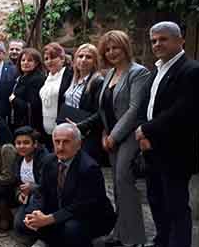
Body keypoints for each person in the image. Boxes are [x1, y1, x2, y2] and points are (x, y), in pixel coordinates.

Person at [135, 21, 199, 247]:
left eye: (163, 39)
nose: (157, 44)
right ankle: (161, 241)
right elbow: (145, 105)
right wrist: (143, 133)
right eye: (154, 40)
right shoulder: (157, 69)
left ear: (180, 40)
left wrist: (146, 130)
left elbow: (183, 111)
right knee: (156, 201)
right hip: (151, 148)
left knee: (176, 205)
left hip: (175, 151)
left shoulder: (193, 71)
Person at [77, 30, 150, 247]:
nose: (111, 52)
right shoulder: (108, 73)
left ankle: (134, 238)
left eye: (115, 47)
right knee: (118, 188)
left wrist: (114, 136)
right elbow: (103, 109)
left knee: (124, 184)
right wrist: (104, 134)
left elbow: (134, 109)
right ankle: (119, 233)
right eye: (107, 49)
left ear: (125, 47)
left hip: (128, 136)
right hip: (110, 137)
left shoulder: (139, 73)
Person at [16, 123, 116, 247]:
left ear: (78, 144)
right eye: (57, 142)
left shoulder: (89, 168)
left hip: (90, 216)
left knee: (71, 228)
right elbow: (42, 191)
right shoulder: (49, 161)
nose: (60, 147)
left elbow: (83, 206)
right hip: (62, 209)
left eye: (66, 142)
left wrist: (49, 219)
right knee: (23, 222)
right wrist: (34, 213)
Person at [61, 44, 105, 166]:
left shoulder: (97, 81)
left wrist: (80, 126)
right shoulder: (72, 79)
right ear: (75, 59)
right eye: (80, 56)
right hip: (70, 131)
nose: (83, 60)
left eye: (88, 57)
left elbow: (100, 112)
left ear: (95, 61)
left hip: (87, 134)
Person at [11, 126, 49, 242]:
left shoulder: (45, 159)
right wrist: (19, 194)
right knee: (19, 225)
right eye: (18, 143)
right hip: (27, 197)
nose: (22, 146)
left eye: (26, 143)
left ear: (35, 144)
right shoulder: (18, 158)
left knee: (25, 223)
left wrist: (33, 188)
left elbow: (49, 186)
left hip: (42, 197)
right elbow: (16, 182)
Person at [39, 43, 73, 149]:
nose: (49, 61)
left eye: (53, 57)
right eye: (46, 58)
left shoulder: (69, 75)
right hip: (46, 130)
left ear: (62, 58)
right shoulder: (47, 77)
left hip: (62, 130)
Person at [9, 48, 46, 134]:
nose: (25, 63)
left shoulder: (37, 79)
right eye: (23, 60)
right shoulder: (21, 77)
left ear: (36, 63)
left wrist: (14, 100)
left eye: (30, 60)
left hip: (29, 126)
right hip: (18, 122)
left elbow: (33, 106)